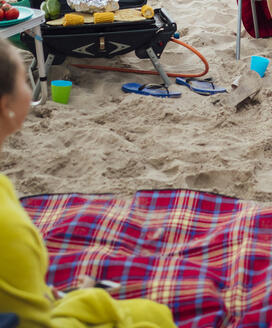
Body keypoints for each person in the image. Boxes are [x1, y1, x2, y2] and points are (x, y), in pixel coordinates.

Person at [0, 38, 175, 326]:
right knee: (154, 319)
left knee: (152, 312)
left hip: (39, 303)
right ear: (6, 104)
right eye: (23, 79)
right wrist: (88, 298)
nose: (29, 86)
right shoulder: (7, 226)